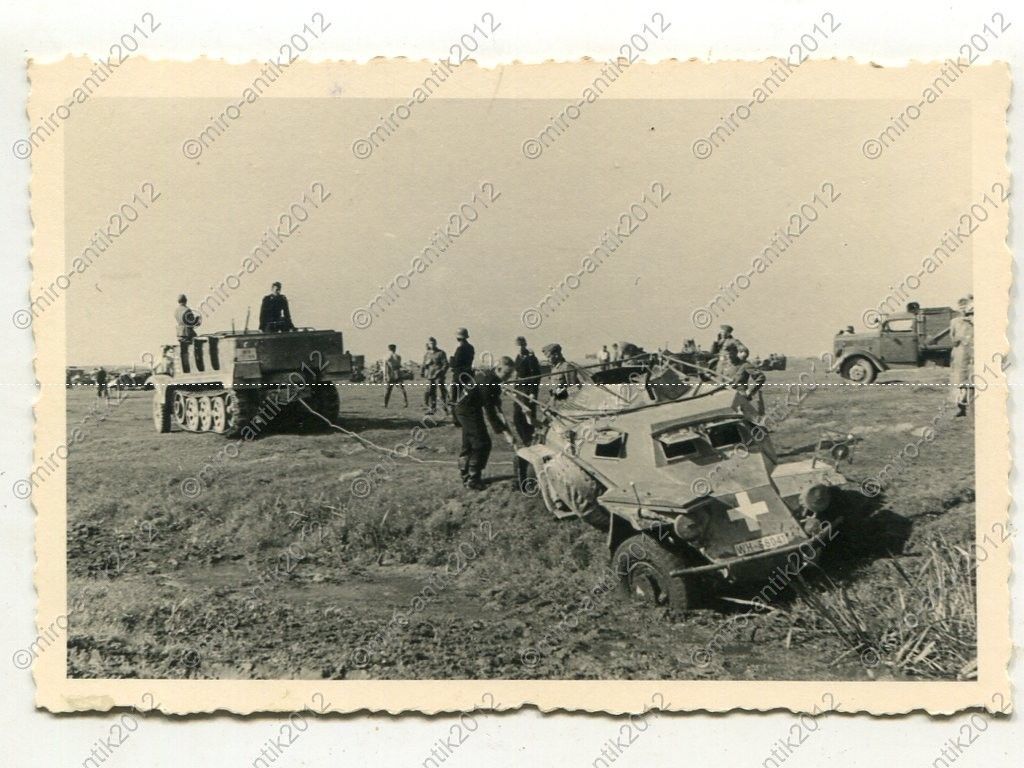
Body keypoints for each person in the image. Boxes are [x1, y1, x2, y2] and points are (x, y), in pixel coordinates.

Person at [453, 356, 518, 490]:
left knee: (469, 444)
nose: (507, 378)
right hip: (466, 411)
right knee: (482, 443)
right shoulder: (488, 381)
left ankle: (466, 476)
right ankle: (473, 479)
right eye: (506, 374)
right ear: (498, 369)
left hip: (466, 409)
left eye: (510, 375)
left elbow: (496, 405)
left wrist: (506, 429)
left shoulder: (493, 378)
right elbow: (490, 412)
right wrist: (505, 433)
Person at [511, 337, 542, 446]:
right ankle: (526, 441)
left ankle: (531, 441)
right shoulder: (518, 358)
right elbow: (517, 375)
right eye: (517, 347)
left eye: (521, 346)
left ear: (525, 345)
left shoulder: (531, 358)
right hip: (519, 390)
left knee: (528, 417)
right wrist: (515, 390)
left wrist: (533, 392)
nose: (519, 349)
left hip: (528, 390)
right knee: (516, 418)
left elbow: (536, 376)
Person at [950, 296, 974, 417]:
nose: (964, 310)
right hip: (960, 354)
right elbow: (953, 340)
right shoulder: (954, 322)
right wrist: (959, 338)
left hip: (974, 355)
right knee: (960, 381)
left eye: (966, 307)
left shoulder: (976, 321)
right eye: (961, 308)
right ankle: (961, 408)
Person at [421, 337, 449, 415]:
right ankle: (432, 408)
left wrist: (440, 372)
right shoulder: (427, 354)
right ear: (428, 344)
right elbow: (424, 365)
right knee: (431, 392)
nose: (432, 344)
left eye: (433, 343)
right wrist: (423, 370)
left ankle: (445, 408)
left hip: (439, 376)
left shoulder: (441, 353)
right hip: (430, 376)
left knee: (442, 392)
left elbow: (446, 364)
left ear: (436, 343)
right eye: (430, 343)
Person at [174, 294, 202, 373]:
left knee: (183, 351)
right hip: (188, 333)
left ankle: (185, 369)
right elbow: (191, 322)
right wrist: (197, 319)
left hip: (180, 333)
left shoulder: (176, 311)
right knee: (194, 349)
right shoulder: (187, 310)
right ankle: (196, 367)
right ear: (186, 300)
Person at [450, 327, 475, 408]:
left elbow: (455, 363)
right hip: (469, 375)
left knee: (454, 398)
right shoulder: (471, 347)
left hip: (459, 375)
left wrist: (451, 360)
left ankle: (455, 418)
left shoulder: (460, 348)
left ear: (458, 338)